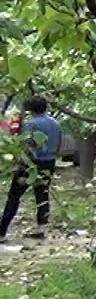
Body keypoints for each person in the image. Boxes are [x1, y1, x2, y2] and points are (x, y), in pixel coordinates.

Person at [0, 96, 62, 242]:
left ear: (30, 109)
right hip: (49, 162)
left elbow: (27, 146)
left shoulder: (31, 124)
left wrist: (20, 163)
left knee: (14, 196)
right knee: (42, 194)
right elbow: (59, 143)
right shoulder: (55, 123)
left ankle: (2, 232)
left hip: (31, 163)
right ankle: (42, 228)